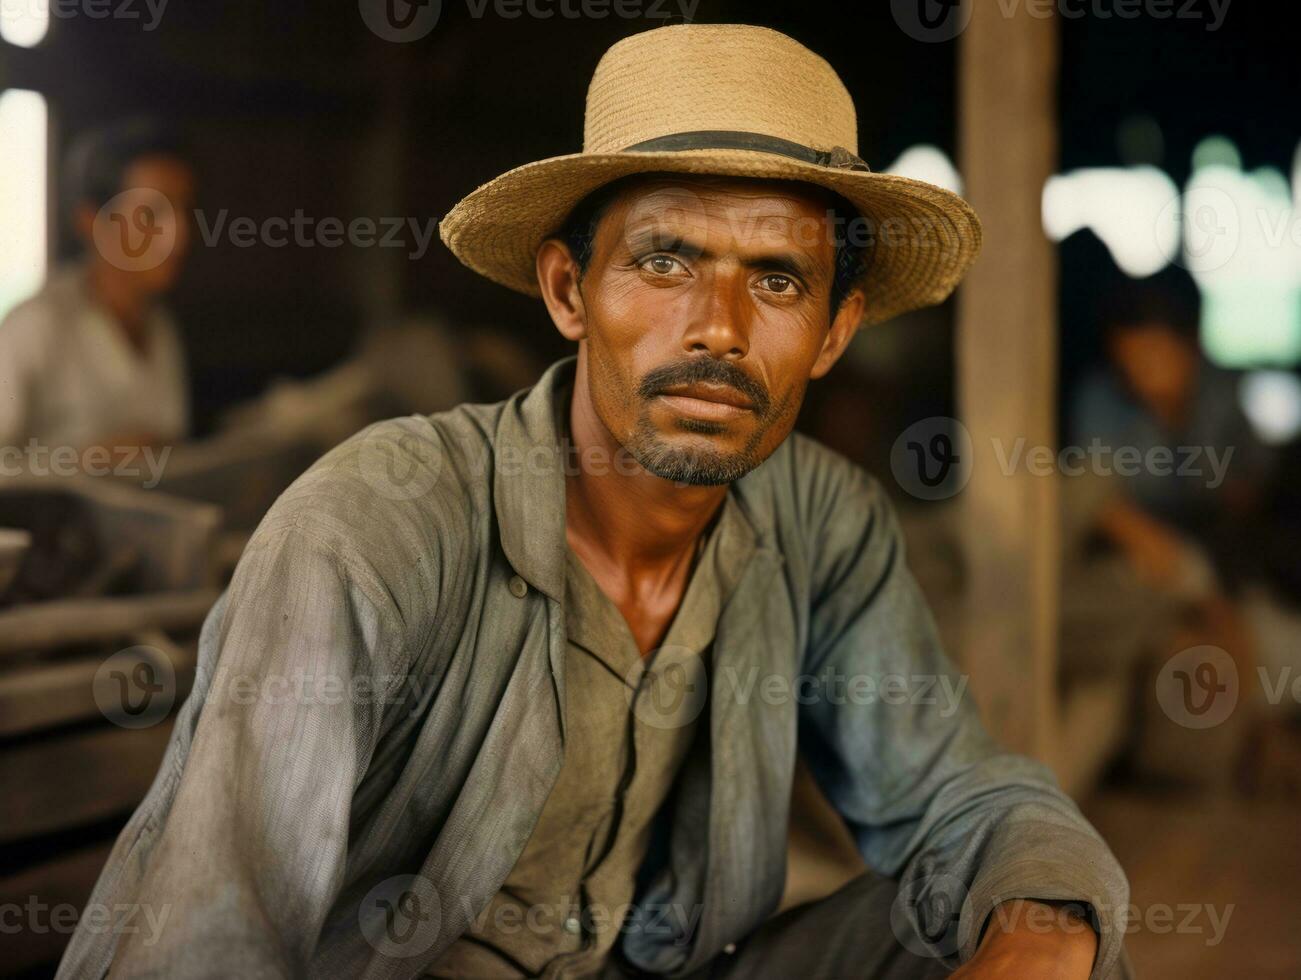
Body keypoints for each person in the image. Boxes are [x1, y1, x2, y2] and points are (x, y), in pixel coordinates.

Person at [58, 25, 1128, 980]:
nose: (716, 325)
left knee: (1019, 913)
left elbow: (963, 794)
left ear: (836, 331)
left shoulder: (820, 520)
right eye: (664, 260)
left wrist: (1042, 935)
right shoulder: (374, 525)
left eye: (776, 279)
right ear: (568, 292)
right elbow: (209, 933)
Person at [0, 118, 194, 458]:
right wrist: (85, 462)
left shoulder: (161, 328)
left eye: (183, 210)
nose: (178, 235)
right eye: (150, 215)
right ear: (92, 222)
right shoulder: (36, 326)